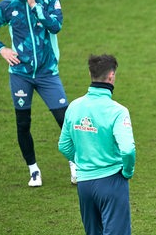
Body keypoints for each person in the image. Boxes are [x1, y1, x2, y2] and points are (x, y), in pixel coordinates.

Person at [0, 0, 76, 187]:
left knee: (65, 120)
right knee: (23, 123)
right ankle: (33, 170)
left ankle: (75, 163)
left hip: (47, 73)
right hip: (20, 74)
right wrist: (1, 49)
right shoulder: (7, 6)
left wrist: (33, 5)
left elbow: (55, 26)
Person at [58, 54, 136, 235]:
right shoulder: (118, 111)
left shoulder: (74, 106)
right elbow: (128, 149)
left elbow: (64, 145)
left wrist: (83, 161)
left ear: (90, 74)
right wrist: (127, 171)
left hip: (84, 184)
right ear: (111, 76)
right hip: (112, 181)